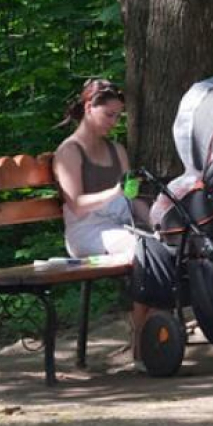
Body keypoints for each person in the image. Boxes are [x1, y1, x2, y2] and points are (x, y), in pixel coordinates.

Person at [53, 78, 150, 371]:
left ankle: (152, 338)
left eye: (118, 115)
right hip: (86, 231)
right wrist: (115, 193)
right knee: (142, 249)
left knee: (161, 244)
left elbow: (131, 198)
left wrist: (156, 220)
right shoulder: (69, 151)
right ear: (88, 108)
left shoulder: (116, 149)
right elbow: (76, 204)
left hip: (119, 223)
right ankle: (141, 345)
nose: (114, 121)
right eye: (109, 114)